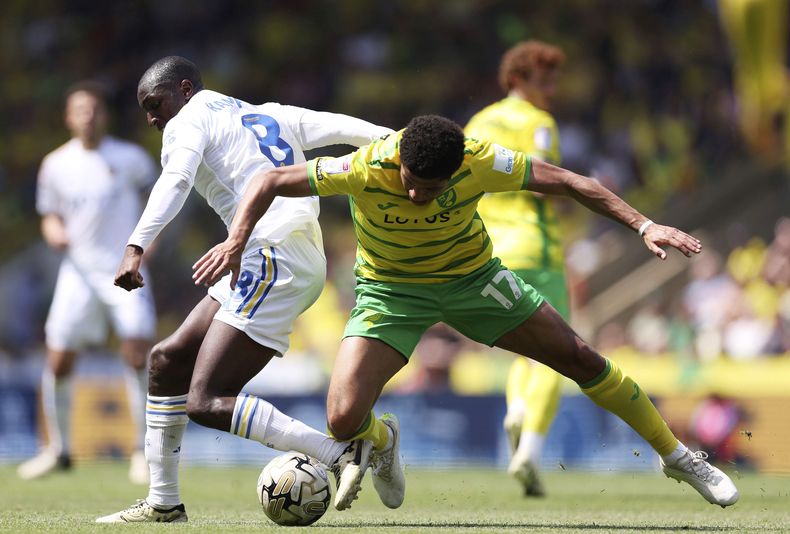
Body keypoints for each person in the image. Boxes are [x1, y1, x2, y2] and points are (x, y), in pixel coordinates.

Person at [194, 114, 740, 509]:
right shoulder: (364, 167)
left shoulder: (480, 161)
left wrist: (645, 225)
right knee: (342, 420)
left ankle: (677, 456)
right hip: (391, 293)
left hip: (472, 281)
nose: (415, 196)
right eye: (409, 182)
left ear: (456, 173)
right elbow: (268, 181)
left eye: (430, 189)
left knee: (580, 357)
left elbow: (574, 183)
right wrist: (237, 241)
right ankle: (383, 442)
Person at [96, 56, 397, 523]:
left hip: (270, 257)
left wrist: (135, 246)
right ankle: (163, 502)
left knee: (206, 400)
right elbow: (340, 126)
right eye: (145, 111)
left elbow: (175, 179)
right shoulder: (268, 112)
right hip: (277, 256)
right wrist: (398, 144)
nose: (153, 119)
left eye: (155, 105)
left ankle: (340, 453)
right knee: (166, 362)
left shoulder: (188, 121)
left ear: (185, 89)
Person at [19, 81, 157, 485]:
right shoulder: (55, 164)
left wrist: (149, 248)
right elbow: (49, 214)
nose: (88, 117)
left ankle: (142, 452)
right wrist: (53, 232)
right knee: (59, 359)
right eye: (80, 110)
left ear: (105, 115)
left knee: (135, 353)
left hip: (124, 271)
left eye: (94, 110)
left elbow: (160, 201)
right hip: (78, 273)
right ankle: (57, 450)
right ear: (68, 117)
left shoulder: (130, 158)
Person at [464, 40, 568, 496]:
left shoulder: (479, 122)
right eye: (543, 79)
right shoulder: (540, 124)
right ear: (517, 79)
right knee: (558, 351)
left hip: (490, 251)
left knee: (522, 345)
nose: (551, 89)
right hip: (537, 247)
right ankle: (530, 447)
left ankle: (515, 411)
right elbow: (546, 180)